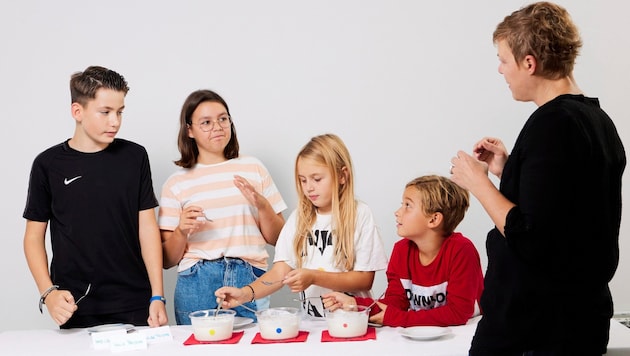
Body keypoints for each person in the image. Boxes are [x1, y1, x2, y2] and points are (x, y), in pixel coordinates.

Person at [449, 2, 626, 355]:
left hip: (535, 330)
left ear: (529, 63)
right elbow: (565, 207)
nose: (500, 70)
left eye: (503, 60)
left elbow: (531, 237)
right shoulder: (597, 120)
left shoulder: (553, 124)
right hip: (576, 323)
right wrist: (509, 169)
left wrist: (478, 182)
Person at [22, 66, 168, 329]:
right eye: (105, 112)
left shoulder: (134, 157)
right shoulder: (48, 164)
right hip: (74, 303)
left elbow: (147, 228)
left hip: (135, 301)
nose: (115, 121)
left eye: (120, 112)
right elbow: (33, 237)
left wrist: (158, 295)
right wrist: (48, 293)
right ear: (77, 111)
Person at [215, 133, 388, 319]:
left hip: (351, 323)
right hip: (312, 325)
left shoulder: (360, 215)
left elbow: (364, 280)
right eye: (303, 180)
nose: (309, 188)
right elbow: (280, 272)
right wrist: (245, 294)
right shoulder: (300, 218)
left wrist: (313, 277)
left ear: (342, 176)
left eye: (317, 179)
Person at [158, 89, 287, 325]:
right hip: (196, 282)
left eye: (223, 119)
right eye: (206, 122)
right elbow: (166, 259)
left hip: (249, 278)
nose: (217, 126)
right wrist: (181, 231)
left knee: (252, 347)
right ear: (189, 130)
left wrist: (263, 206)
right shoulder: (176, 184)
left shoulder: (253, 168)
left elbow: (280, 238)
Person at [323, 175, 483, 327]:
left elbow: (458, 313)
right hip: (423, 333)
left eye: (408, 206)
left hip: (465, 335)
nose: (398, 212)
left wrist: (400, 319)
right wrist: (354, 304)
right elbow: (396, 303)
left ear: (433, 219)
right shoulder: (401, 251)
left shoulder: (462, 251)